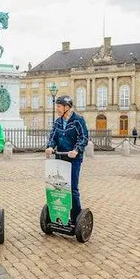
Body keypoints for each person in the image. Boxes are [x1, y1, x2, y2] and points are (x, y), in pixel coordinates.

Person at [45, 95, 89, 224]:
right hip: (60, 158)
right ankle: (59, 214)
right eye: (57, 106)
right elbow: (53, 137)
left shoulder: (78, 120)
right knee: (57, 187)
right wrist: (50, 147)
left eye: (58, 106)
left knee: (72, 189)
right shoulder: (58, 122)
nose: (57, 109)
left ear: (67, 107)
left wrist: (76, 150)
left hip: (74, 159)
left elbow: (83, 137)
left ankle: (75, 219)